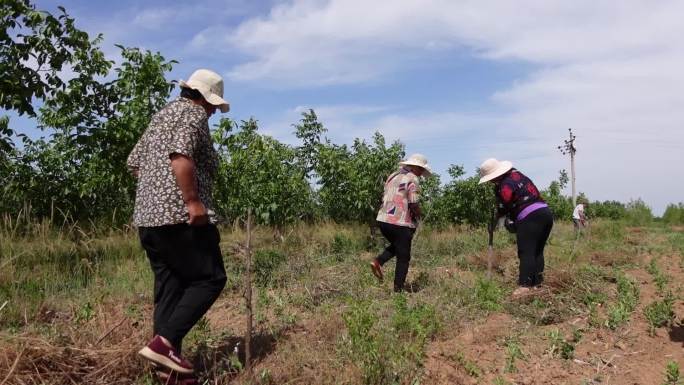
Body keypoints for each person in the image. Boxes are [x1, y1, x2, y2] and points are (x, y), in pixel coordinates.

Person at [127, 69, 230, 381]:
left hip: (148, 220)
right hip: (180, 217)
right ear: (201, 97)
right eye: (212, 104)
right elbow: (180, 156)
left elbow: (134, 163)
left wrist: (154, 195)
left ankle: (165, 370)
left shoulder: (161, 116)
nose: (213, 111)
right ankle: (164, 344)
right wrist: (191, 201)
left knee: (170, 288)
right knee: (210, 279)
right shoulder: (192, 114)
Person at [478, 158, 553, 298]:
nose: (490, 182)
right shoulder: (518, 175)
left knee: (526, 252)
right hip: (545, 213)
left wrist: (495, 224)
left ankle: (524, 286)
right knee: (537, 251)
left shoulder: (504, 185)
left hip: (530, 216)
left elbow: (503, 207)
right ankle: (537, 284)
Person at [370, 154, 431, 292]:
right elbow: (413, 203)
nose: (421, 174)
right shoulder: (413, 179)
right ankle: (398, 291)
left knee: (399, 246)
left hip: (382, 220)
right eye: (421, 170)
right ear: (414, 167)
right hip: (400, 222)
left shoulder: (392, 175)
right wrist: (419, 217)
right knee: (404, 257)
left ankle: (378, 261)